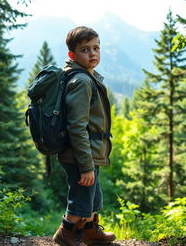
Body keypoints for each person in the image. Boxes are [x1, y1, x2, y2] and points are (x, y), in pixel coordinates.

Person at [53, 26, 116, 246]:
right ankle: (66, 232)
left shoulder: (86, 77)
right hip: (80, 153)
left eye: (96, 48)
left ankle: (89, 231)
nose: (93, 54)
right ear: (72, 55)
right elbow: (77, 127)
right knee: (80, 197)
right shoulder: (81, 81)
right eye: (85, 50)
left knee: (91, 195)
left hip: (88, 151)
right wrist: (86, 165)